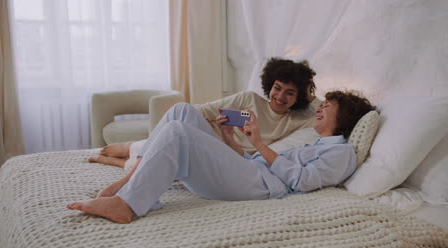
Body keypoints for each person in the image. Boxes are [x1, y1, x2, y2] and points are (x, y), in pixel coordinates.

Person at [67, 90, 375, 224]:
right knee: (181, 111)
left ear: (344, 116)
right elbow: (257, 162)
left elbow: (301, 181)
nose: (320, 109)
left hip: (262, 188)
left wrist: (258, 142)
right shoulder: (313, 141)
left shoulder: (341, 152)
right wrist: (231, 141)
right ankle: (132, 178)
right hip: (250, 172)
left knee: (177, 132)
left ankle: (126, 204)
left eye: (327, 106)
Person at [88, 57, 321, 170]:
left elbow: (320, 113)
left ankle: (112, 158)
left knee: (162, 161)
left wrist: (310, 94)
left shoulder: (298, 121)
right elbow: (200, 110)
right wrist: (215, 122)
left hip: (226, 156)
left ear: (298, 97)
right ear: (270, 85)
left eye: (290, 93)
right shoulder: (248, 99)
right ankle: (118, 153)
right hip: (207, 136)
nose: (280, 96)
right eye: (277, 88)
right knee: (123, 149)